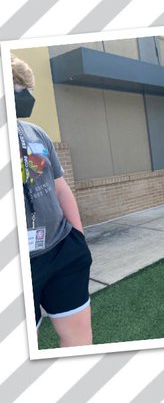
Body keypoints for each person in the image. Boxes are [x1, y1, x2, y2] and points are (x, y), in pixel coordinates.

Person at [13, 55, 93, 347]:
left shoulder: (36, 133)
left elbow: (59, 186)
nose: (28, 97)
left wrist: (78, 237)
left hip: (61, 250)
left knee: (79, 344)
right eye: (20, 89)